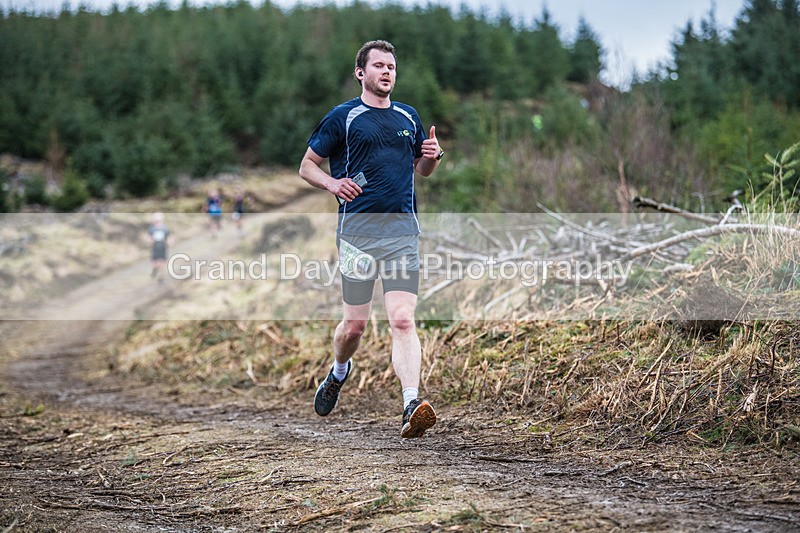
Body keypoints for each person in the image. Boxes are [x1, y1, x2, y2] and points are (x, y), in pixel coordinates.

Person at [298, 40, 445, 438]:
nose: (386, 72)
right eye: (378, 65)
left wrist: (432, 155)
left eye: (391, 66)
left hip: (401, 233)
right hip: (357, 236)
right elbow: (307, 166)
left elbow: (422, 169)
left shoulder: (408, 116)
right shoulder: (343, 117)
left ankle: (411, 404)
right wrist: (333, 184)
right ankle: (338, 371)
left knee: (402, 318)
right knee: (354, 327)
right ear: (360, 73)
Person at [147, 212, 171, 283]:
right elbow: (149, 237)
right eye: (157, 221)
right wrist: (150, 241)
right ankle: (155, 270)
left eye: (160, 221)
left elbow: (169, 236)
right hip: (155, 248)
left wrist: (169, 242)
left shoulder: (165, 228)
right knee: (155, 263)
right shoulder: (152, 229)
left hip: (163, 247)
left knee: (162, 262)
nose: (158, 222)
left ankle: (161, 276)